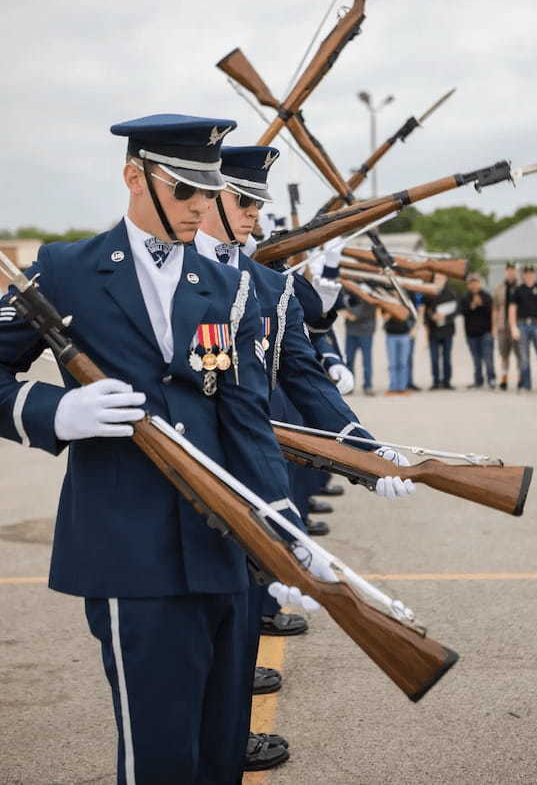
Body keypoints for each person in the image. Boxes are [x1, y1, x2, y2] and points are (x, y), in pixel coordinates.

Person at [0, 114, 319, 784]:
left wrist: (285, 530)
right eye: (184, 192)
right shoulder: (67, 269)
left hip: (226, 549)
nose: (200, 207)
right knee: (162, 758)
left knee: (219, 750)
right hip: (130, 552)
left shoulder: (228, 286)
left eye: (208, 193)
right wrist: (59, 410)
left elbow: (246, 420)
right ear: (133, 177)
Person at [194, 143, 417, 767]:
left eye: (258, 205)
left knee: (240, 622)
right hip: (188, 480)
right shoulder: (160, 274)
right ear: (209, 197)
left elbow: (304, 373)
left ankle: (228, 739)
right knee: (193, 642)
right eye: (243, 201)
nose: (253, 216)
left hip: (254, 478)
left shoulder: (267, 285)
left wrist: (366, 453)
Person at [508, 265, 537, 391]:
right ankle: (526, 385)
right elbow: (512, 309)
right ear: (523, 275)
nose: (529, 275)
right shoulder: (518, 290)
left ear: (535, 274)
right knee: (524, 358)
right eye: (526, 273)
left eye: (531, 273)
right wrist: (513, 327)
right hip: (522, 325)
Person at [460, 273, 496, 388]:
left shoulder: (487, 296)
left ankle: (491, 379)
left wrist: (482, 304)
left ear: (480, 283)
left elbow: (492, 312)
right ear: (468, 285)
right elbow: (462, 312)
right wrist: (472, 306)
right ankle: (478, 381)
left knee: (488, 358)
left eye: (476, 282)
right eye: (471, 283)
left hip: (486, 332)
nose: (474, 285)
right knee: (476, 359)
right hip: (471, 333)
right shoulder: (465, 297)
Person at [423, 274, 457, 389]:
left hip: (447, 331)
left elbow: (456, 311)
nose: (438, 281)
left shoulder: (451, 293)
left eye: (441, 278)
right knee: (434, 358)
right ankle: (435, 381)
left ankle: (447, 381)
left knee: (447, 358)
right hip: (433, 331)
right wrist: (432, 317)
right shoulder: (429, 293)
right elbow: (425, 311)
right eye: (436, 278)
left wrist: (445, 318)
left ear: (446, 279)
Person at [492, 262, 521, 390]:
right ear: (506, 271)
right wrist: (494, 326)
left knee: (520, 354)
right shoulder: (499, 288)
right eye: (509, 270)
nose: (511, 272)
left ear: (516, 271)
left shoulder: (521, 287)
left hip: (517, 326)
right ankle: (504, 379)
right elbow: (495, 308)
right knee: (504, 354)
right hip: (502, 326)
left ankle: (521, 379)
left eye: (513, 270)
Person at [342, 291, 376, 395]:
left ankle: (368, 386)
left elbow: (355, 315)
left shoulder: (369, 294)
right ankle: (350, 386)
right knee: (349, 360)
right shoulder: (348, 294)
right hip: (351, 332)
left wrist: (346, 312)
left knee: (366, 361)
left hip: (365, 332)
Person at [382, 307, 413, 394]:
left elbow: (411, 315)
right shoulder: (386, 303)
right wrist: (393, 310)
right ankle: (393, 387)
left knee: (403, 363)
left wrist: (414, 329)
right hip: (391, 336)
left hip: (405, 335)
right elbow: (385, 318)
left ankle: (402, 388)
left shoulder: (405, 302)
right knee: (392, 364)